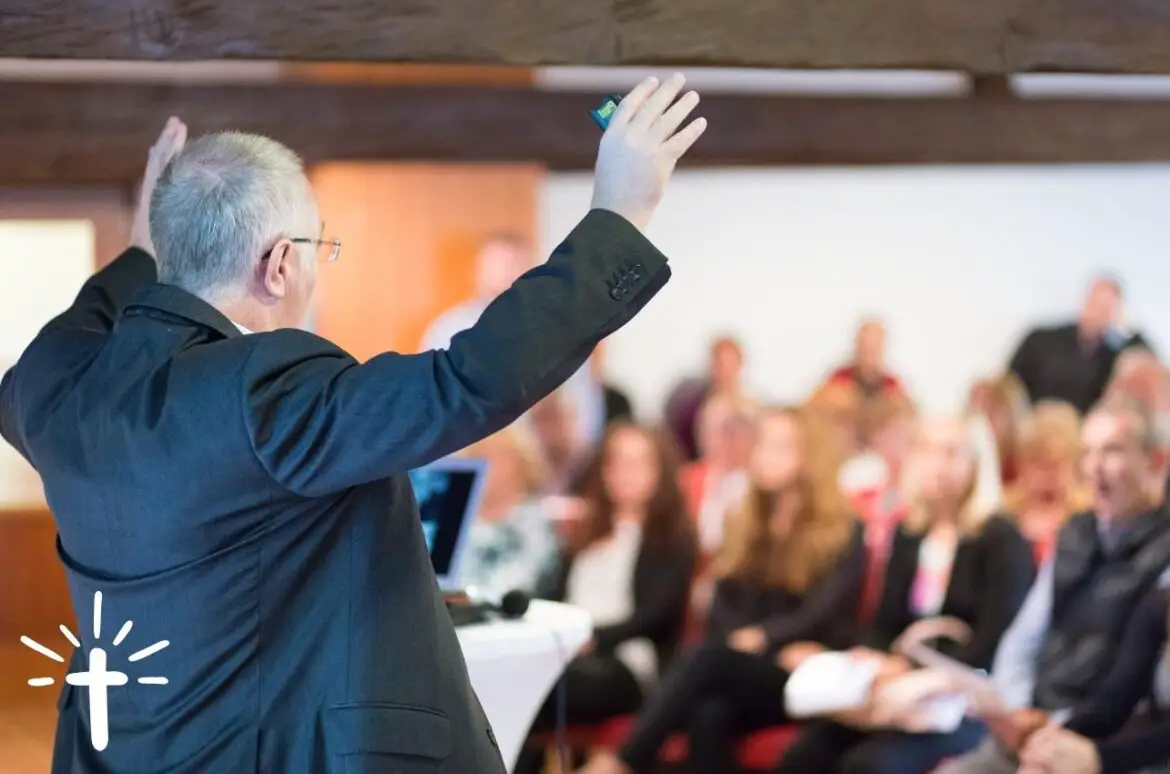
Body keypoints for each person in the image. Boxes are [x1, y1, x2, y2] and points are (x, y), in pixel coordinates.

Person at [0, 74, 708, 774]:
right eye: (318, 249)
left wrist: (144, 247)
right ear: (279, 264)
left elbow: (81, 326)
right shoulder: (259, 393)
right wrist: (619, 216)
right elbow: (464, 379)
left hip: (121, 748)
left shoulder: (55, 392)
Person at [577, 406, 866, 774]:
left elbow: (824, 611)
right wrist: (742, 640)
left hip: (804, 667)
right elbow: (721, 605)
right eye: (762, 444)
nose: (764, 456)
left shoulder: (842, 530)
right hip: (740, 665)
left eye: (782, 447)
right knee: (708, 713)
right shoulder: (743, 522)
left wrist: (761, 637)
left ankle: (621, 761)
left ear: (810, 457)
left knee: (708, 660)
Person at [774, 417, 1035, 774]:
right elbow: (884, 624)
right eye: (928, 451)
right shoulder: (910, 532)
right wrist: (873, 659)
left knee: (868, 765)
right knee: (804, 755)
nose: (938, 465)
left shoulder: (1000, 539)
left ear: (977, 463)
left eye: (952, 454)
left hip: (962, 701)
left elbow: (992, 643)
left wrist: (907, 667)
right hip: (900, 693)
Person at [936, 396, 1170, 774]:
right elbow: (1023, 638)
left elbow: (1127, 695)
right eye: (1088, 452)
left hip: (1106, 737)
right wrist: (1017, 711)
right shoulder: (1075, 533)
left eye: (1112, 451)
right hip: (1043, 721)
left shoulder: (1163, 557)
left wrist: (1065, 736)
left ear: (1156, 461)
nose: (1095, 467)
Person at [517, 424, 696, 773]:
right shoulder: (587, 531)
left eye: (639, 463)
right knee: (511, 686)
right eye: (618, 463)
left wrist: (591, 637)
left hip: (625, 661)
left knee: (533, 692)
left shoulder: (670, 537)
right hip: (566, 653)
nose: (626, 474)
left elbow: (654, 615)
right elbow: (554, 595)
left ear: (660, 471)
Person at [1016, 586, 1170, 774]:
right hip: (1144, 748)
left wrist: (1099, 758)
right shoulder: (1158, 605)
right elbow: (1115, 700)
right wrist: (1057, 736)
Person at [1008, 275, 1152, 414]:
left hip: (1083, 435)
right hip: (1035, 429)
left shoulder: (1115, 355)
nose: (1098, 313)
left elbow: (1150, 370)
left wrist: (1127, 329)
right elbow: (1008, 386)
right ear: (1086, 300)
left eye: (1106, 308)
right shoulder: (1041, 340)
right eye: (1096, 303)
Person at [457, 428, 560, 599]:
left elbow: (518, 583)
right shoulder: (456, 518)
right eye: (479, 455)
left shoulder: (533, 524)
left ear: (520, 464)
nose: (485, 464)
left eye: (496, 457)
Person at [1002, 400, 1090, 563]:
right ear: (1021, 463)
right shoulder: (1000, 513)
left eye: (1056, 464)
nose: (1047, 475)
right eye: (1038, 462)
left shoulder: (1090, 516)